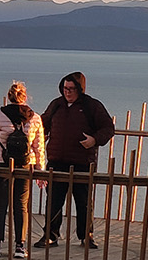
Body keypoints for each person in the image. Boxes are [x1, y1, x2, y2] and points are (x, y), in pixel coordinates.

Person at [35, 70, 116, 249]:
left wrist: (94, 140)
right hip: (56, 161)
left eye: (71, 88)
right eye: (65, 88)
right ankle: (50, 236)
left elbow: (108, 128)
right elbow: (42, 124)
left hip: (83, 161)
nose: (67, 92)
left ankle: (86, 236)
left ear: (80, 89)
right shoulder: (56, 105)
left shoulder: (92, 106)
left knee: (84, 201)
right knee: (53, 201)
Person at [0, 81, 45, 258]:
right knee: (21, 206)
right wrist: (40, 170)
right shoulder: (35, 118)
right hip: (25, 166)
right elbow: (39, 148)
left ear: (9, 97)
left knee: (0, 206)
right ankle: (20, 246)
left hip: (2, 165)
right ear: (24, 97)